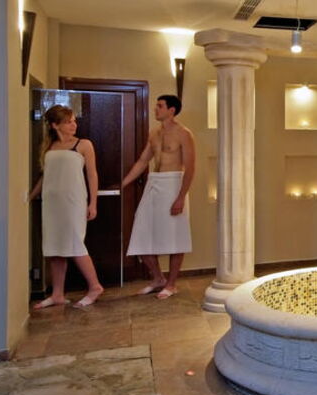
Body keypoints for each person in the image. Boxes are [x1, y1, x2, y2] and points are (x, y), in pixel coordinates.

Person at [27, 105, 104, 308]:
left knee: (75, 244)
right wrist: (29, 197)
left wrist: (93, 203)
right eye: (69, 122)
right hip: (52, 204)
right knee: (54, 248)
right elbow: (45, 176)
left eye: (74, 121)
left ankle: (95, 286)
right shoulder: (49, 147)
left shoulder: (83, 144)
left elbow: (92, 175)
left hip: (73, 202)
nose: (74, 125)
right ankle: (57, 294)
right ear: (55, 125)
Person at [121, 94, 196, 299]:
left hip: (174, 184)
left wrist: (180, 197)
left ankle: (171, 284)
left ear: (171, 110)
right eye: (156, 106)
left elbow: (190, 168)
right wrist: (123, 183)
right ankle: (158, 279)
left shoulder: (184, 134)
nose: (156, 109)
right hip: (154, 183)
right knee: (141, 232)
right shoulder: (154, 133)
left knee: (175, 236)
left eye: (160, 106)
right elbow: (142, 161)